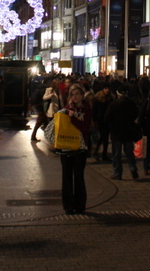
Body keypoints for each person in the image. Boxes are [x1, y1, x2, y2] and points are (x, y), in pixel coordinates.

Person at [60, 83, 93, 214]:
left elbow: (85, 128)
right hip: (66, 146)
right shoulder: (66, 109)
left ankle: (80, 205)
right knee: (67, 177)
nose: (75, 97)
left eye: (77, 94)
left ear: (82, 95)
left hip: (80, 146)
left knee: (79, 176)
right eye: (72, 94)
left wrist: (73, 119)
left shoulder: (87, 109)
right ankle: (68, 205)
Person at [105, 89, 140, 180]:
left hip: (116, 132)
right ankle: (132, 168)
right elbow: (136, 114)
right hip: (128, 131)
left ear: (118, 94)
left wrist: (111, 124)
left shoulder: (113, 104)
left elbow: (107, 118)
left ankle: (117, 173)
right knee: (129, 152)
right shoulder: (131, 103)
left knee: (116, 154)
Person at [92, 86, 114, 161]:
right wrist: (95, 121)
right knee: (103, 137)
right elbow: (94, 111)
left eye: (108, 88)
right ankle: (100, 153)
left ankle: (101, 153)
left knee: (104, 137)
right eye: (105, 88)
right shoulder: (98, 99)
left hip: (107, 120)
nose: (107, 90)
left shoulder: (110, 98)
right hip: (100, 120)